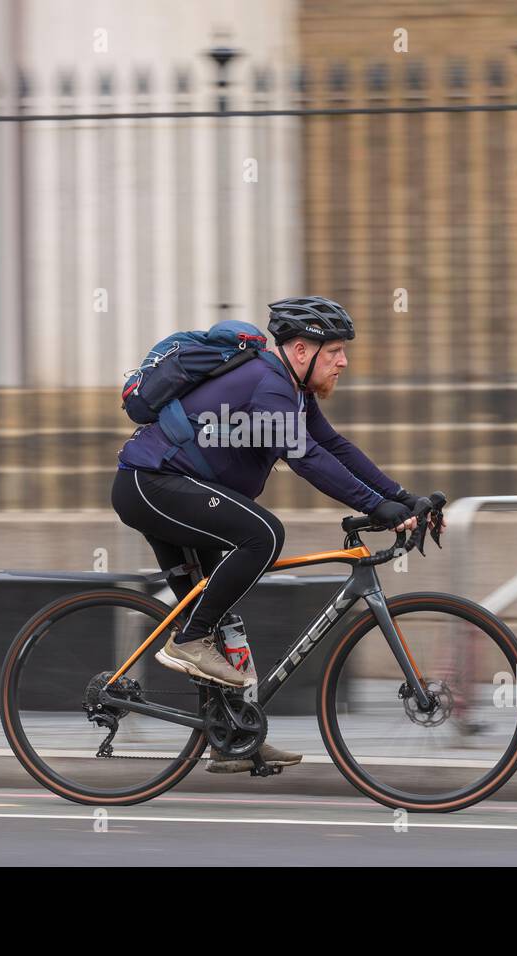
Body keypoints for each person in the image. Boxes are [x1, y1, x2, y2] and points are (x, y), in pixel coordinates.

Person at [111, 296, 437, 772]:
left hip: (173, 486)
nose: (343, 361)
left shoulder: (293, 390)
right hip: (150, 484)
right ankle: (189, 641)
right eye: (335, 351)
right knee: (263, 535)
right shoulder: (268, 385)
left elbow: (333, 446)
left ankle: (229, 736)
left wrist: (402, 497)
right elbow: (305, 457)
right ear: (301, 351)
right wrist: (375, 506)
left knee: (220, 620)